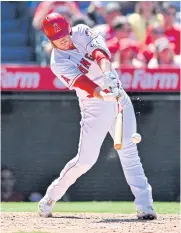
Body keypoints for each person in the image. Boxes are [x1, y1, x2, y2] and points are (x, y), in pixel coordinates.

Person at [38, 12, 157, 220]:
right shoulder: (58, 62)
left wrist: (109, 75)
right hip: (94, 104)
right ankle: (50, 197)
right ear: (50, 40)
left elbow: (101, 54)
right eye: (57, 39)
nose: (63, 40)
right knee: (85, 161)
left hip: (118, 95)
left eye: (65, 34)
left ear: (69, 28)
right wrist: (104, 94)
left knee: (129, 151)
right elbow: (84, 84)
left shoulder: (82, 31)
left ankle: (145, 206)